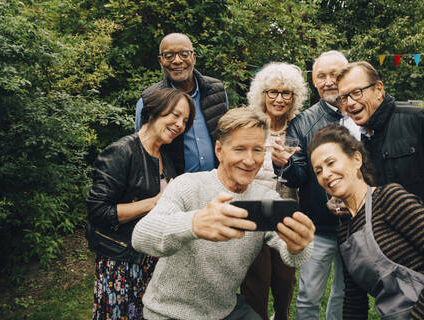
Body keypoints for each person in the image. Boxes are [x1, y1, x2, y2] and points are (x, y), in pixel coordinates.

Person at [131, 107, 315, 320]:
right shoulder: (188, 185)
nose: (250, 160)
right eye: (239, 149)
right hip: (168, 313)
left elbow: (294, 256)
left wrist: (299, 244)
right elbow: (141, 236)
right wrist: (194, 224)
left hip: (225, 311)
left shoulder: (265, 198)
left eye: (257, 150)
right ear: (219, 151)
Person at [308, 123, 424, 319]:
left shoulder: (390, 199)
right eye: (318, 171)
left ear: (356, 159)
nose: (325, 174)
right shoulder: (345, 232)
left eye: (331, 163)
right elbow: (354, 301)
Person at [335, 61, 424, 268]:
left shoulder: (419, 121)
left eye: (356, 93)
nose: (349, 102)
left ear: (378, 89)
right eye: (344, 97)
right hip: (394, 258)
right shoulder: (363, 140)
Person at [86, 88, 195, 319]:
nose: (180, 124)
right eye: (175, 115)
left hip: (151, 258)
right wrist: (154, 202)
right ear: (154, 112)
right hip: (121, 261)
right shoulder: (122, 151)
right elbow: (98, 211)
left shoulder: (164, 156)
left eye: (185, 121)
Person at [271, 51, 350, 320]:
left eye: (336, 74)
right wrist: (285, 163)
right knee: (309, 296)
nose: (329, 81)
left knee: (346, 293)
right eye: (321, 76)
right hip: (318, 226)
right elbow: (298, 177)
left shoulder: (362, 115)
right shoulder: (303, 122)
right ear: (314, 82)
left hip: (358, 224)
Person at [242, 62, 307, 320]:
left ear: (294, 97)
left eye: (286, 93)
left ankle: (281, 316)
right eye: (273, 92)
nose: (279, 99)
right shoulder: (251, 124)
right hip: (254, 211)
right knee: (256, 278)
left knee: (284, 277)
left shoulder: (300, 127)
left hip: (287, 212)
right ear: (262, 94)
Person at [135, 33, 228, 174]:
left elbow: (228, 137)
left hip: (217, 182)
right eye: (169, 56)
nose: (177, 61)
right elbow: (141, 150)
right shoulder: (149, 100)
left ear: (193, 58)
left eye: (184, 54)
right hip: (174, 188)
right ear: (161, 61)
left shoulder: (217, 92)